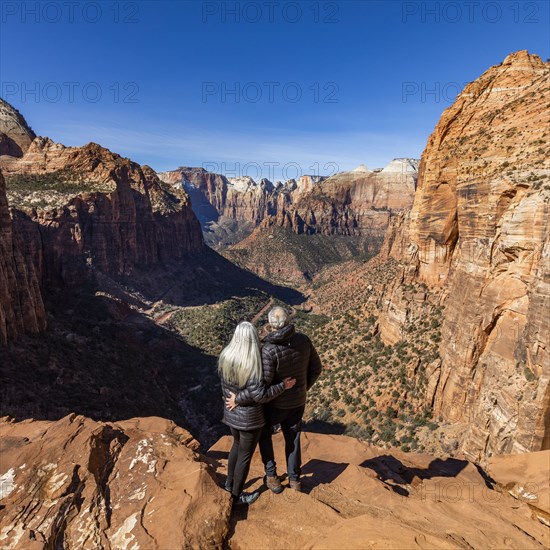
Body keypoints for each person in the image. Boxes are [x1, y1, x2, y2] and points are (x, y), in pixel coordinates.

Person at [227, 307, 322, 493]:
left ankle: (272, 476)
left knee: (264, 435)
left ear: (271, 324)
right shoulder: (303, 340)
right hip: (297, 403)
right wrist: (303, 389)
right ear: (288, 321)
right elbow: (316, 368)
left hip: (275, 405)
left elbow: (260, 390)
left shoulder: (268, 350)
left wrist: (238, 398)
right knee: (293, 438)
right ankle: (295, 480)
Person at [218, 321, 296, 506]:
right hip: (249, 418)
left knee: (236, 447)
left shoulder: (226, 356)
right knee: (245, 456)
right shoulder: (252, 363)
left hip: (231, 413)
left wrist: (234, 400)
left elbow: (226, 388)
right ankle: (237, 497)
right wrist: (282, 386)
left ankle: (229, 485)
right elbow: (260, 395)